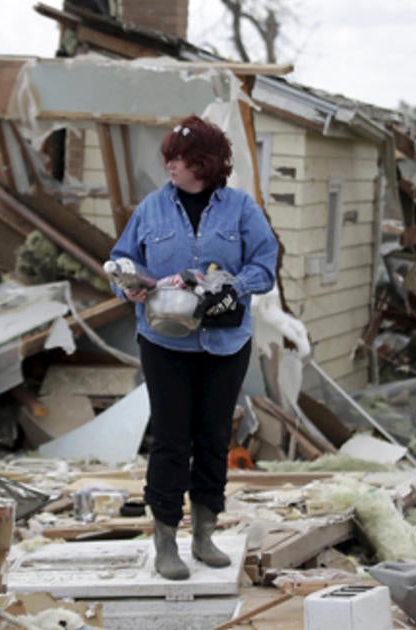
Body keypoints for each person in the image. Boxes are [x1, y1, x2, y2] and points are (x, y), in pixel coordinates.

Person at [109, 115, 278, 580]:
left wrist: (235, 286)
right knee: (169, 439)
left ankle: (204, 536)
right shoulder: (151, 209)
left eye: (179, 158)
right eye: (168, 157)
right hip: (164, 342)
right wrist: (129, 285)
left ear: (204, 164)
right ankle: (165, 541)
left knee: (212, 438)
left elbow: (266, 264)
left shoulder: (242, 209)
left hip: (225, 343)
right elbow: (121, 258)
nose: (169, 165)